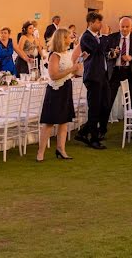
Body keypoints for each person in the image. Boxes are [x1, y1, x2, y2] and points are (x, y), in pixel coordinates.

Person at [37, 28, 83, 162]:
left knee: (64, 121)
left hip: (66, 87)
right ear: (63, 39)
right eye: (69, 37)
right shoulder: (55, 55)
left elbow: (68, 72)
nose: (71, 39)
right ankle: (41, 152)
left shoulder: (67, 53)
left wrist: (75, 69)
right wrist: (72, 69)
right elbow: (54, 75)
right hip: (56, 90)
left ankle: (61, 149)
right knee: (49, 122)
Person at [75, 12, 110, 150]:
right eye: (98, 22)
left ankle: (83, 132)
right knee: (94, 108)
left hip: (102, 75)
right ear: (90, 23)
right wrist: (105, 36)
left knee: (105, 105)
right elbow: (97, 50)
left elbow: (103, 51)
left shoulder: (96, 37)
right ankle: (93, 139)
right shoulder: (86, 37)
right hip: (93, 77)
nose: (100, 25)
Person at [106, 17, 132, 110]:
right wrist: (111, 54)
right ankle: (104, 122)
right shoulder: (112, 37)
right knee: (109, 99)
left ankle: (131, 120)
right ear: (119, 26)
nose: (124, 29)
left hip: (131, 72)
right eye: (122, 26)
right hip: (115, 71)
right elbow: (105, 53)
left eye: (127, 26)